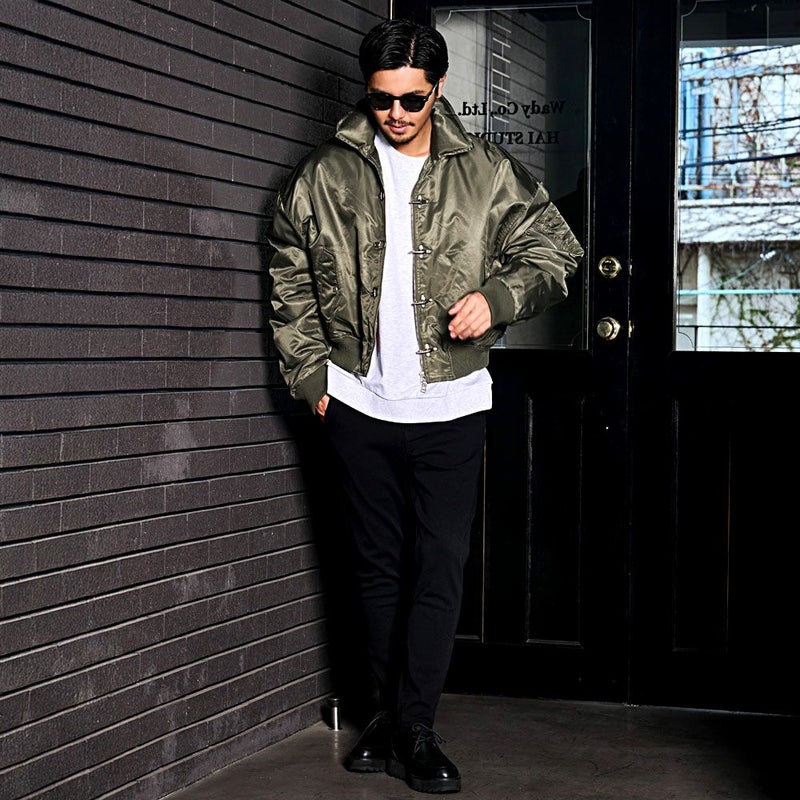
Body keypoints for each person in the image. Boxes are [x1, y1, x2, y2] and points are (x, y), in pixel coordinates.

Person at [266, 18, 583, 795]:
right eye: (382, 99)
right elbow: (289, 271)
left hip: (451, 404)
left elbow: (556, 250)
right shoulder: (324, 174)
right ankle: (381, 718)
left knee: (438, 567)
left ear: (437, 89)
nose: (397, 114)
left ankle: (416, 726)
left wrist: (497, 298)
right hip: (356, 402)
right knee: (374, 567)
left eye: (412, 99)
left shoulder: (486, 171)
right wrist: (311, 378)